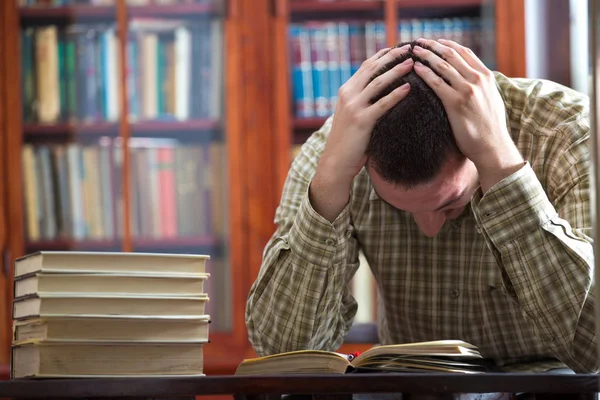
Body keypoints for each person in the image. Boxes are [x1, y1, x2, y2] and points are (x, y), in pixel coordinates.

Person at [245, 39, 597, 373]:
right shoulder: (336, 153)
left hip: (552, 384)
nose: (430, 227)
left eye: (450, 203)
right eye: (398, 207)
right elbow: (283, 350)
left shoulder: (570, 134)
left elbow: (591, 350)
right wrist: (330, 186)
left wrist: (501, 163)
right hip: (413, 387)